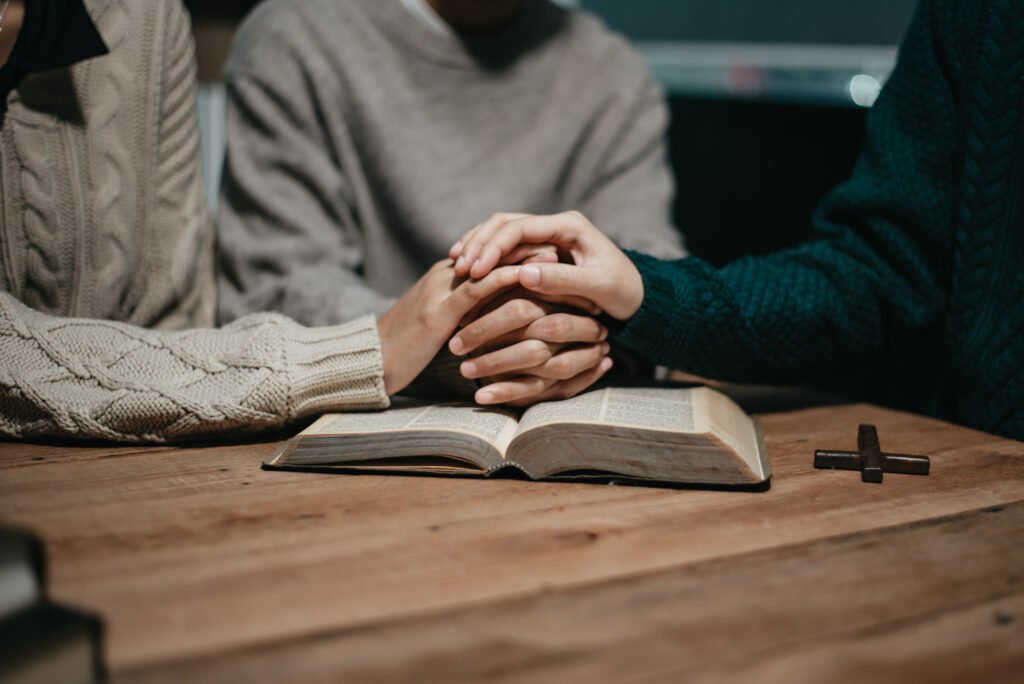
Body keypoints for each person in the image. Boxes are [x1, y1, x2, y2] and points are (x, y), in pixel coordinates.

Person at [0, 0, 609, 443]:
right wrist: (390, 346)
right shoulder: (294, 33)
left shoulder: (145, 19)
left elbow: (175, 328)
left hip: (160, 467)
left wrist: (492, 335)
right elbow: (270, 284)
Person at [448, 0, 1024, 441]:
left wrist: (592, 330)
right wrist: (640, 293)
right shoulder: (975, 16)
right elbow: (881, 270)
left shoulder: (610, 72)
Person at [215, 0, 685, 396]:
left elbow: (651, 278)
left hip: (571, 415)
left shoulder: (613, 73)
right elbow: (275, 291)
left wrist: (561, 341)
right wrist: (474, 341)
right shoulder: (294, 37)